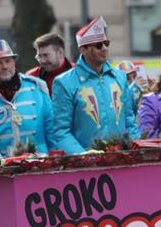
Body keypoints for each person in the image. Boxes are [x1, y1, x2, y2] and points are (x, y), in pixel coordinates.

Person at [52, 17, 139, 155]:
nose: (104, 48)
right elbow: (61, 131)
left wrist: (136, 150)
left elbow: (129, 121)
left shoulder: (120, 77)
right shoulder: (64, 82)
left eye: (106, 43)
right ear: (83, 50)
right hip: (85, 168)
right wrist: (82, 156)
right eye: (98, 45)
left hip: (123, 160)